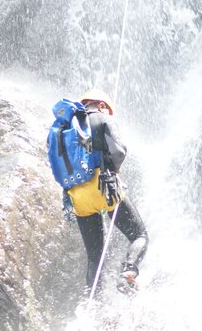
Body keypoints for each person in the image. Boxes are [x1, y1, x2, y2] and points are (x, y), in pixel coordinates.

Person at [65, 89, 148, 295]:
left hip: (77, 197)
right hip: (104, 187)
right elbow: (118, 151)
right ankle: (128, 273)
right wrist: (114, 169)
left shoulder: (67, 128)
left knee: (95, 256)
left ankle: (92, 305)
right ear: (101, 106)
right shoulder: (102, 118)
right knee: (139, 235)